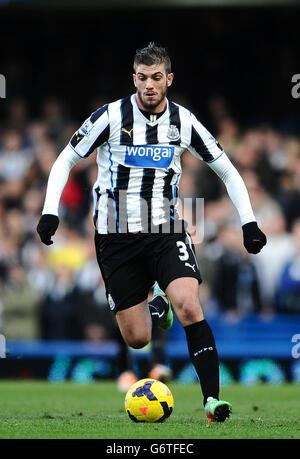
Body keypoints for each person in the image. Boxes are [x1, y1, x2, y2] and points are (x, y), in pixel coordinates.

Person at [37, 42, 267, 422]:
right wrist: (50, 211)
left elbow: (226, 168)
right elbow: (66, 159)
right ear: (134, 79)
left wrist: (249, 221)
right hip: (115, 237)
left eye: (156, 77)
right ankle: (157, 308)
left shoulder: (184, 121)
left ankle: (212, 402)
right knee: (138, 338)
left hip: (165, 228)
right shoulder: (110, 117)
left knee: (191, 306)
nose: (149, 85)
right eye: (142, 78)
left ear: (168, 79)